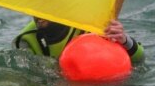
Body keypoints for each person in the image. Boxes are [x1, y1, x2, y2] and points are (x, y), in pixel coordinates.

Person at [13, 17, 144, 63]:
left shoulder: (91, 27)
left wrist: (124, 40)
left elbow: (140, 58)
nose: (38, 14)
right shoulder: (26, 38)